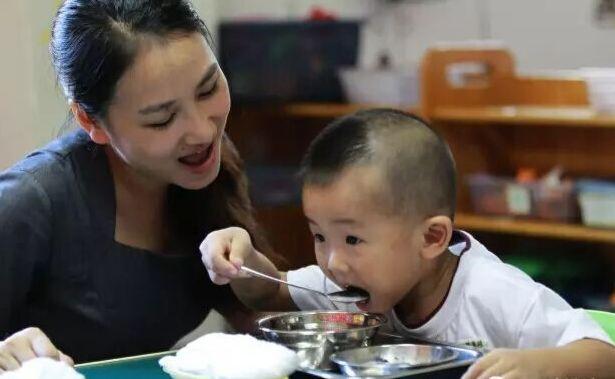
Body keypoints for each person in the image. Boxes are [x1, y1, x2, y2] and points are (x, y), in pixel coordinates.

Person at [202, 108, 615, 378]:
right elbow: (270, 291)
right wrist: (241, 256)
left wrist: (540, 366)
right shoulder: (347, 283)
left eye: (352, 238)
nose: (332, 261)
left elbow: (604, 353)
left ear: (432, 237)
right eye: (318, 235)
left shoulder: (494, 293)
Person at [0, 0, 277, 371]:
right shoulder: (30, 203)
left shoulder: (203, 163)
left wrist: (256, 273)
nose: (203, 130)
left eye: (208, 89)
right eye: (162, 119)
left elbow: (261, 321)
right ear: (89, 120)